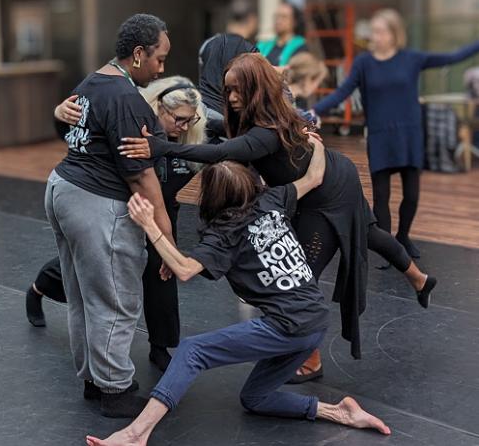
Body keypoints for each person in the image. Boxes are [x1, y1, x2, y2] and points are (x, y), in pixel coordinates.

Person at [145, 53, 437, 382]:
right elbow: (241, 119)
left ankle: (310, 362)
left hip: (325, 193)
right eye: (228, 91)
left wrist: (161, 148)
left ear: (255, 88)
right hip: (338, 174)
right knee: (368, 233)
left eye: (238, 90)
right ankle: (420, 279)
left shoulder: (266, 132)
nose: (232, 98)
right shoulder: (273, 109)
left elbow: (220, 153)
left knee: (297, 276)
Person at [86, 139, 392, 446]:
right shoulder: (273, 199)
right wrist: (316, 142)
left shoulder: (224, 234)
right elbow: (314, 176)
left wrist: (149, 225)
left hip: (290, 325)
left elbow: (185, 270)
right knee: (255, 398)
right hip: (314, 323)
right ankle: (339, 412)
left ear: (212, 198)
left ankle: (136, 434)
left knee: (193, 351)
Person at [28, 77, 208, 372]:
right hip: (127, 212)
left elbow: (230, 140)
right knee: (81, 269)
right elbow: (78, 133)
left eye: (191, 120)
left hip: (162, 217)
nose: (184, 127)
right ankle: (36, 291)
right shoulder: (130, 126)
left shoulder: (189, 135)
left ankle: (160, 346)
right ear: (158, 108)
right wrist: (58, 114)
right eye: (179, 119)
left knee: (161, 277)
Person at [45, 13, 173, 418]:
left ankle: (95, 379)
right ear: (138, 54)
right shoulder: (124, 97)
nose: (162, 68)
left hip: (63, 189)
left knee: (84, 295)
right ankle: (115, 391)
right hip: (95, 202)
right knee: (115, 299)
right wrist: (164, 236)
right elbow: (141, 175)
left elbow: (72, 134)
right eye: (159, 59)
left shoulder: (91, 82)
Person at [313, 9, 479, 259]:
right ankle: (387, 245)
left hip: (410, 136)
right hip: (380, 136)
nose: (374, 36)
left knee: (412, 195)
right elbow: (343, 92)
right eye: (373, 31)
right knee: (381, 196)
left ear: (394, 34)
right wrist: (316, 110)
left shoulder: (411, 58)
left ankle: (403, 236)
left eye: (380, 31)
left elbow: (452, 57)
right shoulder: (363, 63)